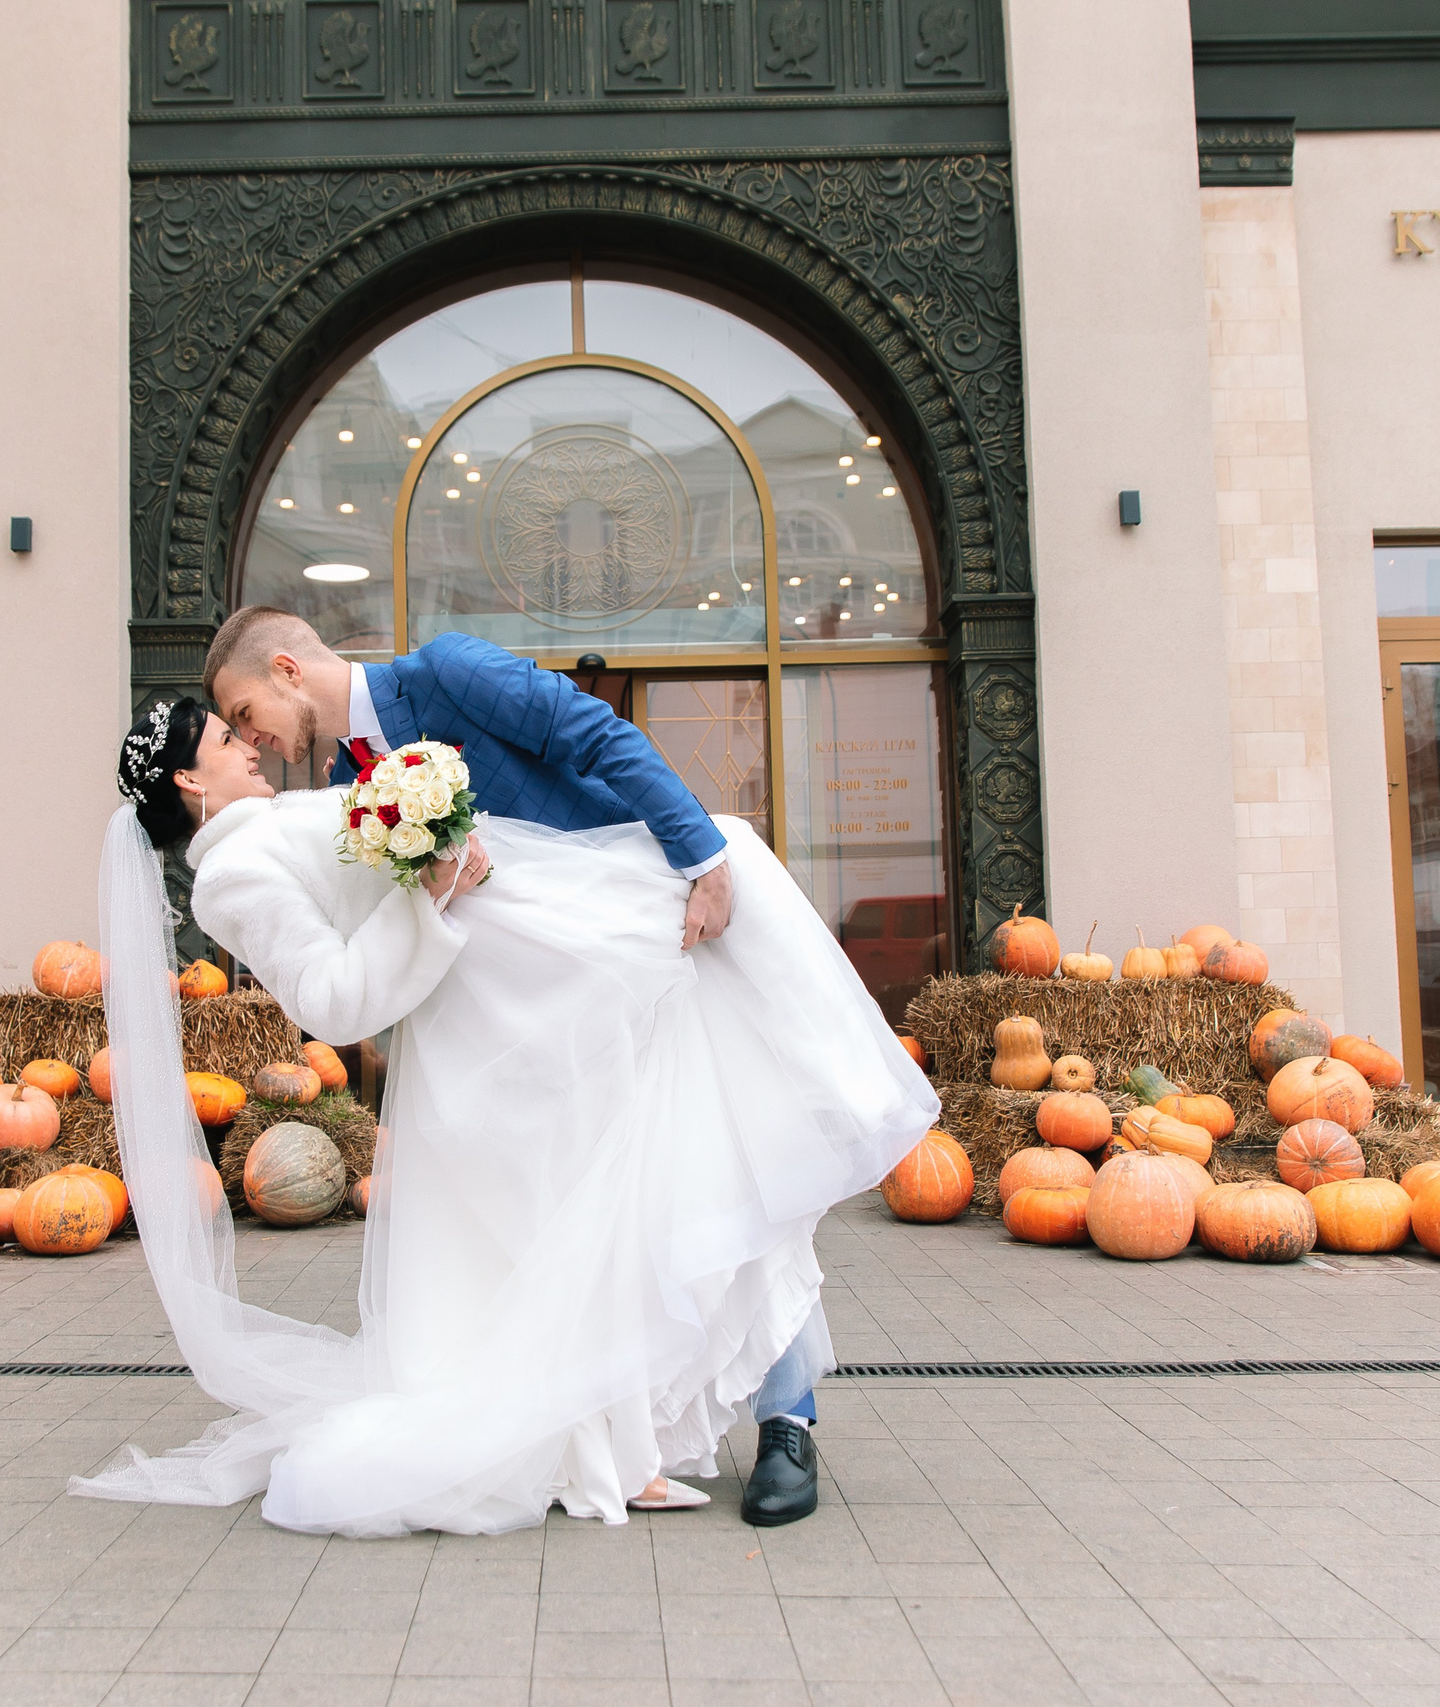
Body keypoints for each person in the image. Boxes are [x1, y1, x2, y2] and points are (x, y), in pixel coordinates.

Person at [72, 691, 936, 1536]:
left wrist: (434, 843)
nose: (250, 743)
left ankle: (688, 1426)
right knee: (606, 1190)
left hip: (526, 992)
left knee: (655, 1146)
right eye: (227, 737)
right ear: (190, 780)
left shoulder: (278, 815)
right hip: (489, 1027)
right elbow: (334, 1001)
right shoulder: (232, 874)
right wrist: (430, 889)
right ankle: (619, 1438)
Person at [200, 607, 819, 1517]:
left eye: (246, 710)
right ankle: (637, 1420)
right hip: (543, 1024)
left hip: (649, 935)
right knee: (636, 1202)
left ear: (288, 669)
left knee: (737, 1160)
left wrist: (702, 856)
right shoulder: (345, 783)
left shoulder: (445, 673)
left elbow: (593, 733)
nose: (250, 736)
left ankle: (788, 1423)